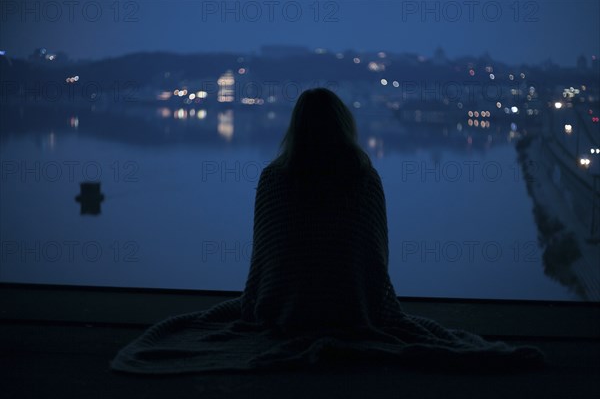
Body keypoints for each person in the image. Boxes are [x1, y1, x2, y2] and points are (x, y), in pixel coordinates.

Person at [111, 88, 544, 374]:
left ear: (293, 127)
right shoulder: (363, 177)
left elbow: (264, 259)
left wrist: (260, 305)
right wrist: (370, 307)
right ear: (345, 125)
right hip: (353, 309)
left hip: (284, 311)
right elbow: (375, 258)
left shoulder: (274, 178)